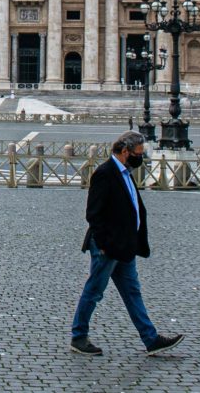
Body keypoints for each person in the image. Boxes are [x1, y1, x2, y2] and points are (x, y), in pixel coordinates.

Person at [70, 131, 182, 357]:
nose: (140, 158)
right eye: (137, 154)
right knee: (94, 291)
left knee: (132, 293)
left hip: (124, 245)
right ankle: (78, 336)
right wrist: (103, 244)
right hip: (108, 247)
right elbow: (94, 213)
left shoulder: (125, 172)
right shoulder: (105, 173)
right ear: (124, 152)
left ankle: (151, 339)